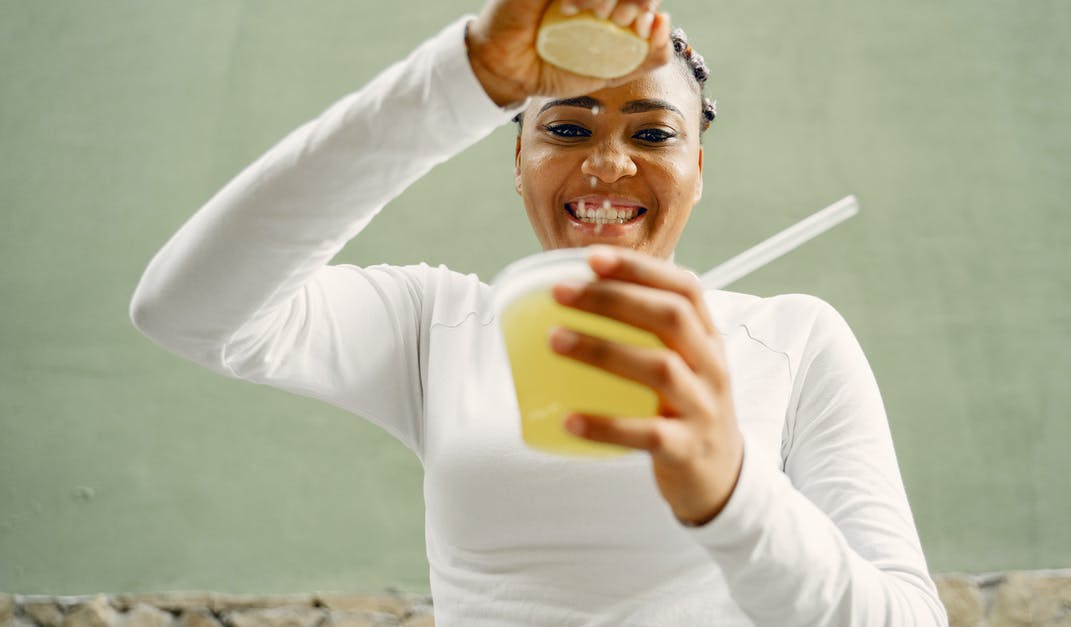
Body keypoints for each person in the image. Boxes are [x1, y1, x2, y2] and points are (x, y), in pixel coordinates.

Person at [129, 0, 948, 624]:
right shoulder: (438, 326)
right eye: (566, 125)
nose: (608, 161)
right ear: (519, 163)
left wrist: (731, 494)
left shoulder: (792, 336)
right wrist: (462, 81)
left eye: (655, 134)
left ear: (699, 171)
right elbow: (187, 310)